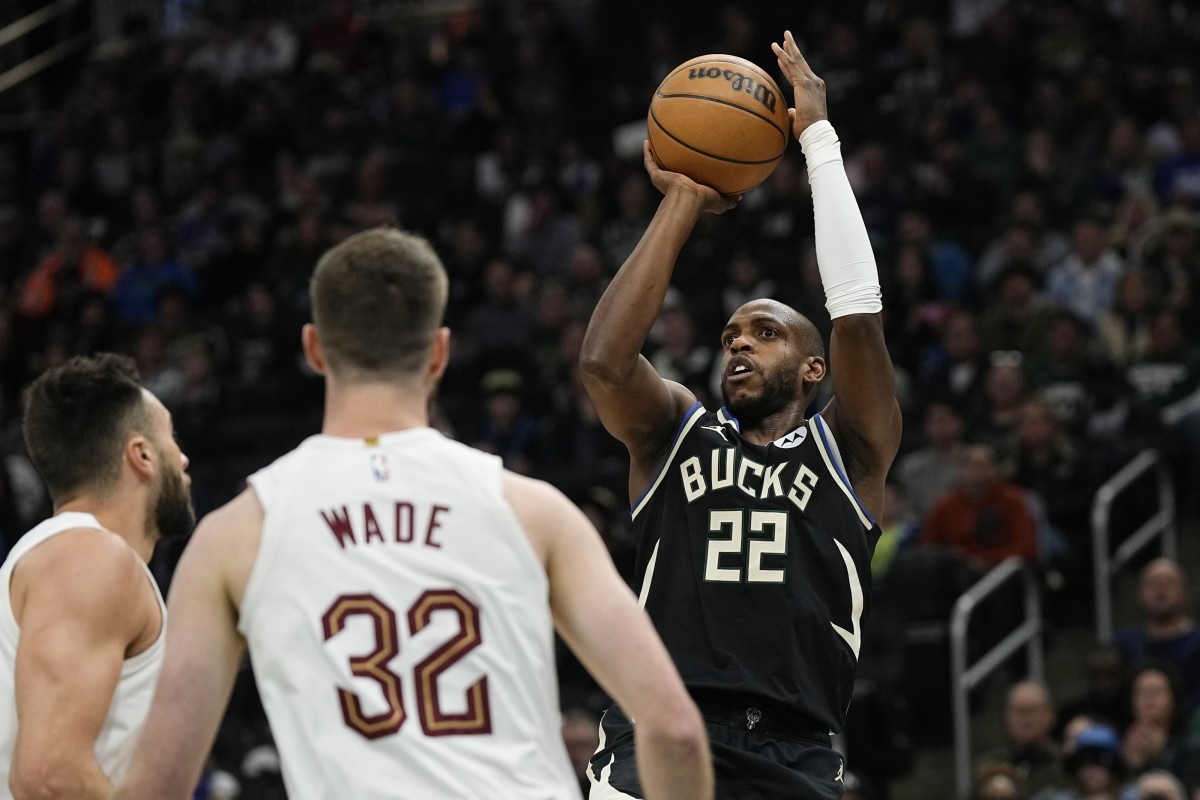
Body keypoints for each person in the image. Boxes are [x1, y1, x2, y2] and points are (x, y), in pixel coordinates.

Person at [114, 227, 712, 800]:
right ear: (440, 353)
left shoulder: (237, 533)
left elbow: (160, 785)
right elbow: (676, 729)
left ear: (314, 349)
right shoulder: (534, 510)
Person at [580, 31, 902, 800]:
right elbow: (603, 364)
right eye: (730, 336)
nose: (739, 346)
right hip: (659, 731)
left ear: (813, 367)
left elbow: (857, 314)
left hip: (794, 752)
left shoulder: (849, 451)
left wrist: (818, 140)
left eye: (765, 333)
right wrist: (682, 202)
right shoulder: (676, 436)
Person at [1, 353, 194, 798]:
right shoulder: (90, 557)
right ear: (141, 455)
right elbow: (49, 774)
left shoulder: (71, 554)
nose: (183, 459)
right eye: (172, 439)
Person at [1114, 559, 1200, 717]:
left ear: (1185, 593)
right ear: (1139, 594)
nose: (1160, 590)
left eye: (1168, 583)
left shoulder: (1197, 643)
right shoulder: (1125, 644)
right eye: (1152, 584)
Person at [976, 680, 1064, 796]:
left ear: (1050, 715)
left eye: (1032, 710)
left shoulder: (1065, 762)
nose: (1026, 719)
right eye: (1018, 712)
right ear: (1006, 717)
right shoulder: (990, 764)